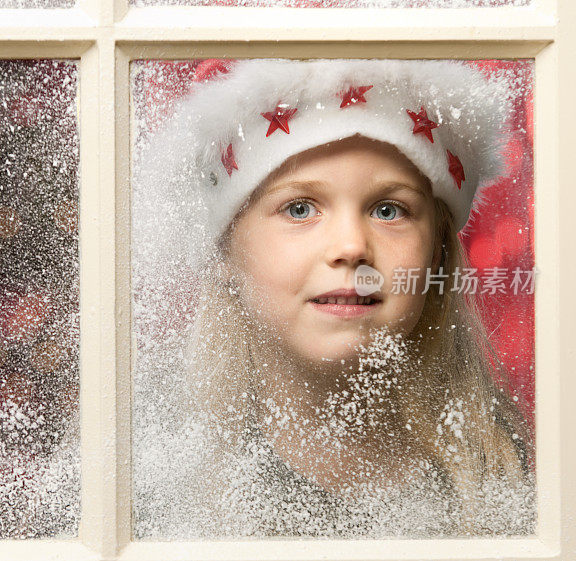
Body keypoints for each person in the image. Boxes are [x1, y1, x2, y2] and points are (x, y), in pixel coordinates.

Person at [132, 58, 536, 538]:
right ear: (226, 255)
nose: (350, 246)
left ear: (438, 257)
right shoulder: (146, 456)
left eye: (390, 210)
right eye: (300, 208)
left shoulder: (497, 465)